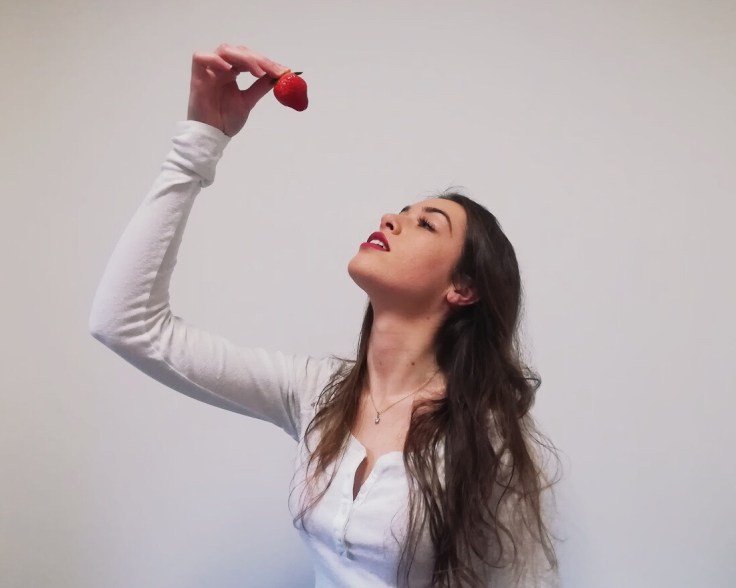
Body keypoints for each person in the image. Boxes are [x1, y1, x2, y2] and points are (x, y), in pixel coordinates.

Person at [89, 43, 561, 588]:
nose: (391, 218)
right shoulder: (317, 394)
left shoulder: (489, 439)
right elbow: (125, 323)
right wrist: (200, 141)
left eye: (427, 223)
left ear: (464, 287)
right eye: (401, 211)